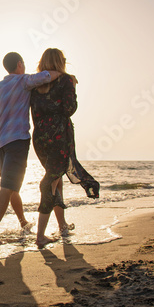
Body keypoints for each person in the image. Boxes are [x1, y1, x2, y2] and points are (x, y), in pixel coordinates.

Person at [0, 52, 61, 246]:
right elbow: (46, 76)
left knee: (12, 187)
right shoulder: (23, 81)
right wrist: (62, 73)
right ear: (19, 64)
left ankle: (23, 223)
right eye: (24, 64)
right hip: (17, 141)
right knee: (8, 187)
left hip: (0, 144)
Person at [30, 48, 100, 249]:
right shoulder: (67, 80)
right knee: (50, 182)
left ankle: (62, 226)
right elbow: (69, 109)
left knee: (56, 179)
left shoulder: (35, 84)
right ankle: (40, 236)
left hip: (40, 138)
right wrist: (72, 86)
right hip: (59, 136)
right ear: (60, 62)